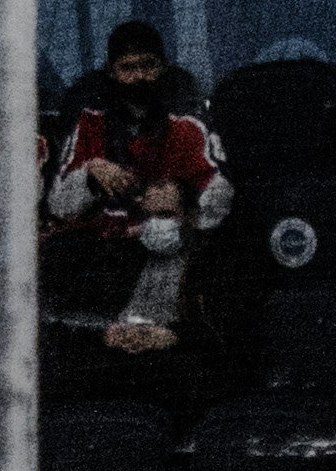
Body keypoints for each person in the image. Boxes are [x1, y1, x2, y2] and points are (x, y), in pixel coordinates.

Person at [46, 24, 229, 352]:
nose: (140, 76)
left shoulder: (186, 125)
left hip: (158, 249)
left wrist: (184, 195)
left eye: (148, 65)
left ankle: (149, 334)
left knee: (170, 246)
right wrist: (89, 176)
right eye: (128, 68)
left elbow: (221, 195)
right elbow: (59, 205)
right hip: (102, 251)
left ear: (163, 67)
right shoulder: (90, 122)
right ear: (111, 72)